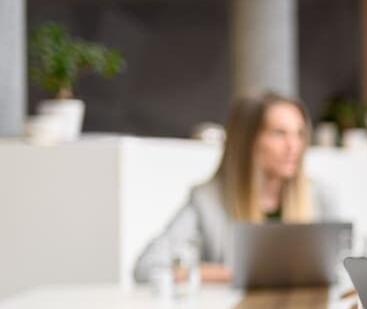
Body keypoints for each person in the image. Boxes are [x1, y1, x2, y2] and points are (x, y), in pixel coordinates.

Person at [134, 91, 337, 283]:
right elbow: (147, 267)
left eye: (299, 134)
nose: (293, 146)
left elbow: (341, 268)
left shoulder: (320, 195)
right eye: (279, 133)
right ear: (248, 141)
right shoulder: (207, 200)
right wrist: (233, 274)